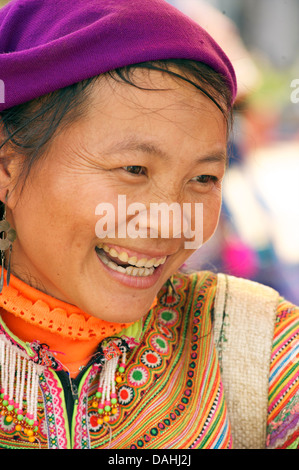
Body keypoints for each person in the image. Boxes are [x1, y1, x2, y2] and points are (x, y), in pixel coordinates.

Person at [0, 0, 297, 450]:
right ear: (7, 167)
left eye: (203, 178)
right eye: (134, 169)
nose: (168, 225)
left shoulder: (260, 345)